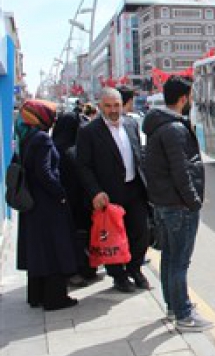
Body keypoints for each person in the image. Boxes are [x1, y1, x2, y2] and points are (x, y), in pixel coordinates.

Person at [143, 76, 213, 332]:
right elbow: (181, 170)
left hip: (164, 203)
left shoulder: (158, 125)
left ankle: (174, 307)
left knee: (171, 258)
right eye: (191, 96)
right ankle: (184, 314)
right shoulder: (174, 129)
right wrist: (193, 201)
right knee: (179, 261)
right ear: (184, 98)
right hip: (178, 205)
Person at [76, 87, 150, 293]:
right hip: (108, 194)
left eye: (116, 105)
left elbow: (139, 155)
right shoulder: (89, 132)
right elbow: (83, 166)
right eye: (108, 106)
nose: (113, 110)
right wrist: (95, 192)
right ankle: (119, 276)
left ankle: (135, 269)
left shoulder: (131, 124)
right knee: (113, 238)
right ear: (100, 107)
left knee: (140, 232)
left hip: (134, 189)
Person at [15, 100, 78, 310]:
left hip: (33, 203)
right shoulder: (42, 139)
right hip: (47, 204)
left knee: (39, 250)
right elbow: (45, 172)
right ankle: (55, 298)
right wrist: (59, 193)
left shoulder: (26, 136)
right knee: (55, 249)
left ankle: (38, 295)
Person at [52, 112, 97, 287]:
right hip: (77, 203)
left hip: (59, 203)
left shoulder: (53, 146)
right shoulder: (73, 150)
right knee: (79, 238)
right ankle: (79, 270)